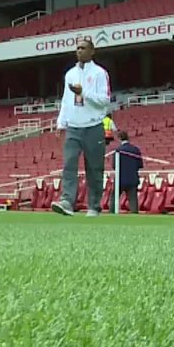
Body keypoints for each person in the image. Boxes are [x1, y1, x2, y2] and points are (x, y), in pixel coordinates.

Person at [52, 37, 112, 217]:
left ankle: (94, 206)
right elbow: (66, 100)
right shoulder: (70, 74)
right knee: (69, 164)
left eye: (83, 48)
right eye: (77, 48)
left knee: (94, 169)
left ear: (92, 51)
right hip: (73, 127)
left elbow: (105, 100)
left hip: (93, 126)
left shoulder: (100, 73)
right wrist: (61, 122)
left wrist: (83, 92)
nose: (79, 51)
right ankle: (67, 201)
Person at [114, 131, 143, 214]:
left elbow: (114, 166)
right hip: (132, 178)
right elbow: (140, 165)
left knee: (114, 197)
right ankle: (134, 214)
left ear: (119, 138)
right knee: (133, 199)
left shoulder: (118, 150)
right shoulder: (135, 150)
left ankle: (112, 212)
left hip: (120, 178)